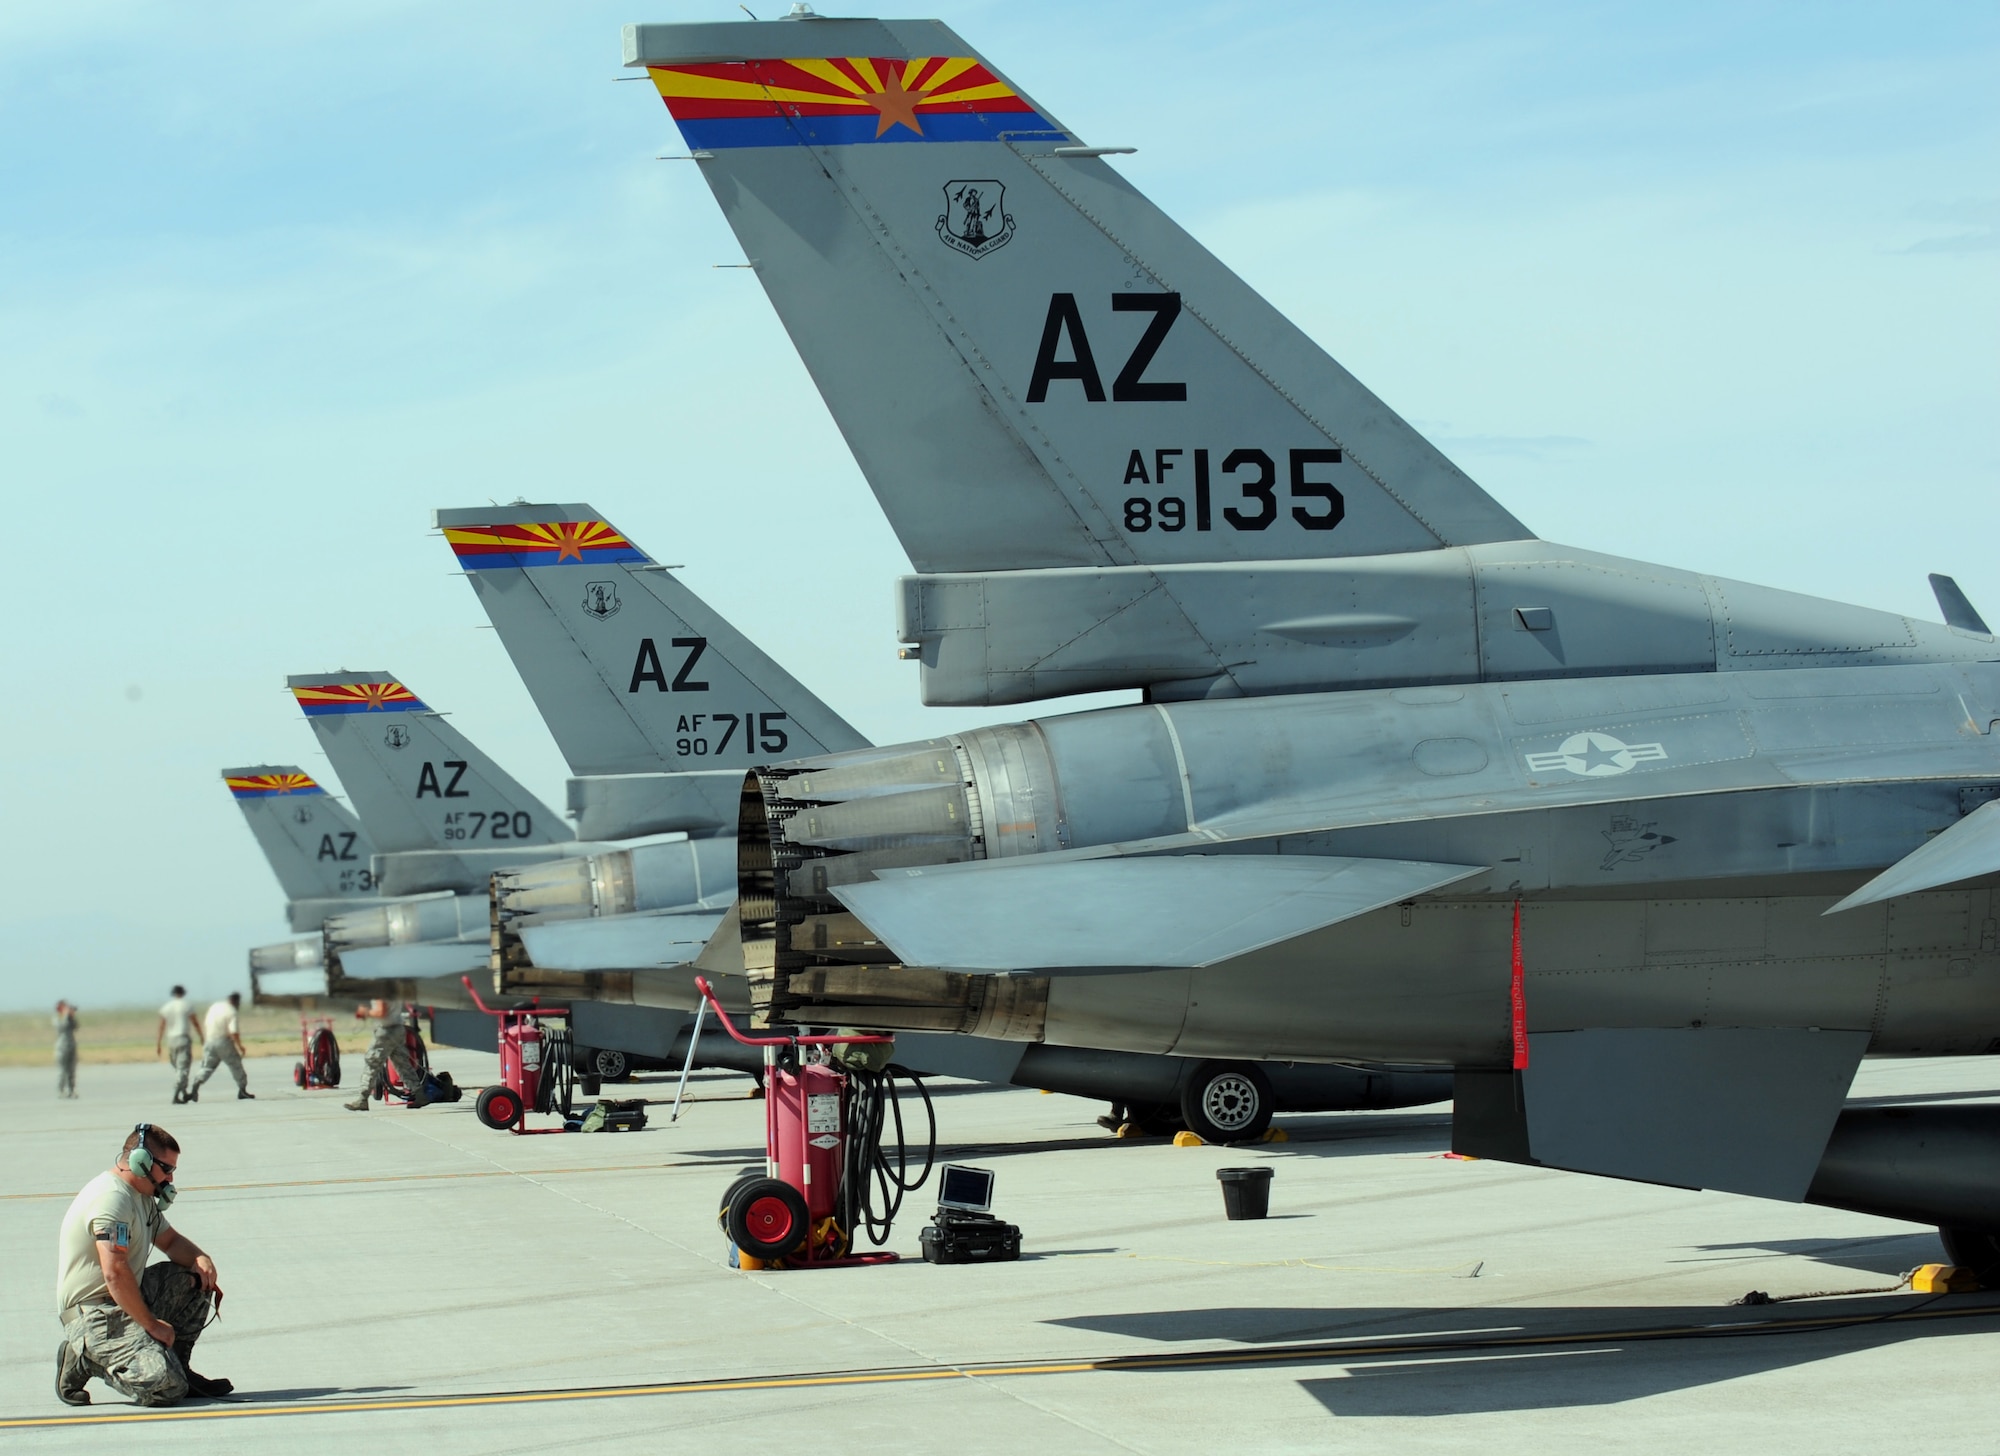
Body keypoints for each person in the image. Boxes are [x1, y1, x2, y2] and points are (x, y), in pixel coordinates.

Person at [56, 1123, 232, 1406]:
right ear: (141, 1162)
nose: (171, 1177)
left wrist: (202, 1259)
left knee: (194, 1277)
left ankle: (179, 1367)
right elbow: (114, 1273)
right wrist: (151, 1325)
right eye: (167, 1168)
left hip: (121, 1300)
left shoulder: (141, 1196)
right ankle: (83, 1358)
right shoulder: (111, 1200)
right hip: (95, 1315)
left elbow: (172, 1242)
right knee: (165, 1387)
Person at [344, 999, 427, 1111]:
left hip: (386, 1031)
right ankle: (419, 1094)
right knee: (402, 1064)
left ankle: (362, 1099)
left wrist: (365, 1012)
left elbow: (381, 1012)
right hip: (398, 1028)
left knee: (372, 1063)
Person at [185, 993, 253, 1102]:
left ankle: (196, 1085)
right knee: (235, 1065)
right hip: (223, 1042)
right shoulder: (232, 1011)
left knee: (207, 1067)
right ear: (236, 1002)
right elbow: (234, 1032)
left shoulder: (215, 1006)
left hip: (210, 1041)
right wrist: (240, 1046)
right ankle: (242, 1090)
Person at [156, 986, 204, 1105]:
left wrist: (158, 1043)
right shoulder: (186, 1005)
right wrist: (201, 1036)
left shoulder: (166, 1007)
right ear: (183, 993)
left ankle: (183, 1092)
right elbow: (195, 1022)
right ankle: (176, 1095)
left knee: (178, 1068)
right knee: (182, 1069)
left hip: (171, 1040)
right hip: (183, 1038)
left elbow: (161, 1026)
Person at [54, 1000, 78, 1099]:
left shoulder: (69, 1018)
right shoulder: (57, 1018)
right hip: (62, 1047)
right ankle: (61, 1091)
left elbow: (76, 1027)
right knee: (63, 1070)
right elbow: (61, 1027)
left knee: (71, 1070)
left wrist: (71, 1017)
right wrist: (65, 1015)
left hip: (71, 1046)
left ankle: (71, 1090)